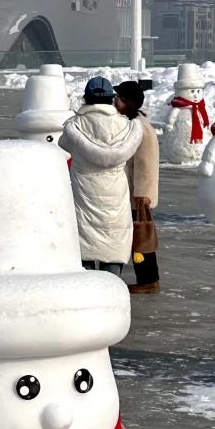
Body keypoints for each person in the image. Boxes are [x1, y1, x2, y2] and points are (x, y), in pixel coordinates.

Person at [58, 75, 143, 277]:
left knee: (85, 251)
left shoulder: (75, 126)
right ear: (111, 98)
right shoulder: (127, 126)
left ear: (86, 97)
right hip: (116, 197)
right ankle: (111, 288)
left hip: (83, 193)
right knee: (112, 249)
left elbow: (63, 144)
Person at [114, 79, 160, 294]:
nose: (115, 101)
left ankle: (148, 280)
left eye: (120, 98)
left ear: (129, 102)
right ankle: (146, 279)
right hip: (132, 193)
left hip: (137, 196)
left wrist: (143, 194)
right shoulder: (132, 123)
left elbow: (146, 164)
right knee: (136, 237)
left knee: (141, 238)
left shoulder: (141, 127)